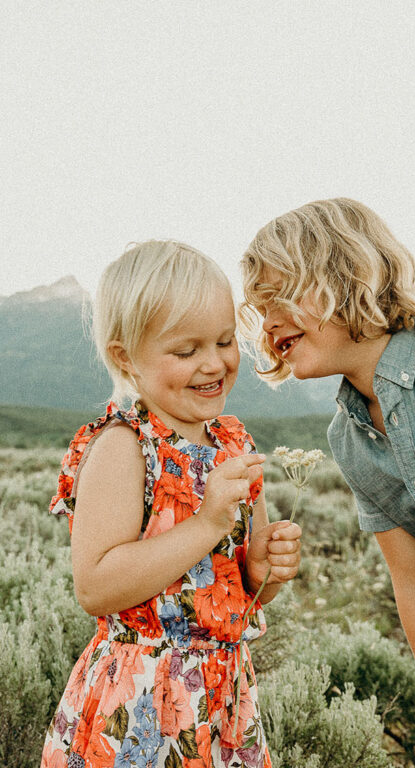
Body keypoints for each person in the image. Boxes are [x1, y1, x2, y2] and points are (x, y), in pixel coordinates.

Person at [239, 197, 415, 768]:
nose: (268, 324)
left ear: (346, 274)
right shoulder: (350, 440)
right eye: (260, 311)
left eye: (278, 298)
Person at [41, 241, 302, 768]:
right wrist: (206, 524)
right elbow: (95, 586)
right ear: (125, 358)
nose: (213, 364)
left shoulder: (234, 445)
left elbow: (243, 593)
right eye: (186, 351)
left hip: (222, 699)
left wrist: (265, 570)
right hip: (140, 703)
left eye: (226, 341)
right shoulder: (124, 445)